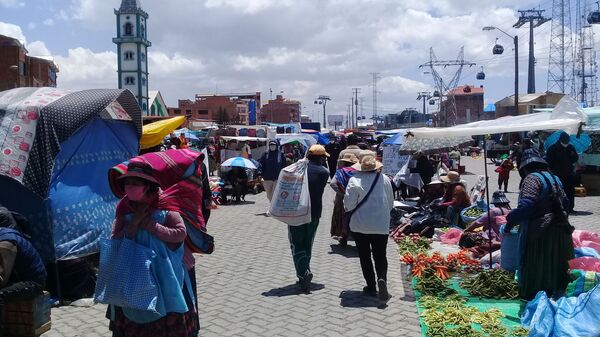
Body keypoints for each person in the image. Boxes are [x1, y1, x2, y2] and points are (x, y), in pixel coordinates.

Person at [107, 161, 199, 337]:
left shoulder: (165, 203)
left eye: (136, 183)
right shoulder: (124, 207)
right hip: (132, 273)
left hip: (164, 275)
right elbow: (115, 240)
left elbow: (180, 233)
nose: (130, 187)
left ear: (148, 186)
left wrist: (150, 225)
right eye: (127, 183)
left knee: (165, 319)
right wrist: (133, 224)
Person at [504, 149, 574, 300]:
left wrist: (510, 221)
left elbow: (527, 206)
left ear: (524, 167)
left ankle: (535, 297)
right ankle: (555, 297)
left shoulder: (531, 179)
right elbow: (566, 204)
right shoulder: (555, 178)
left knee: (539, 267)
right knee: (556, 267)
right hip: (561, 230)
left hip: (542, 232)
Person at [344, 155, 394, 301]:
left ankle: (371, 287)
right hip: (380, 224)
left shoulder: (354, 180)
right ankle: (382, 278)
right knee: (380, 255)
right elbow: (391, 202)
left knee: (365, 256)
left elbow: (349, 205)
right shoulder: (384, 179)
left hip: (360, 225)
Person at [288, 145, 329, 293]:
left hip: (295, 211)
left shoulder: (296, 169)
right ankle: (305, 270)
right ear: (321, 158)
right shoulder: (324, 172)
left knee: (296, 243)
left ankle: (304, 272)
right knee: (307, 243)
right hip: (314, 212)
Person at [0, 206, 47, 304]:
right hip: (17, 277)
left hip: (32, 283)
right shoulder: (7, 235)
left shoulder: (6, 241)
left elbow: (1, 278)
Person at [329, 153, 359, 246]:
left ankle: (343, 237)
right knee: (354, 217)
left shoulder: (340, 172)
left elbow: (332, 184)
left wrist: (342, 192)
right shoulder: (358, 172)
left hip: (341, 199)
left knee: (341, 218)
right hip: (355, 199)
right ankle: (356, 238)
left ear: (344, 162)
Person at [546, 132, 579, 213]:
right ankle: (559, 208)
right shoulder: (553, 148)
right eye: (565, 140)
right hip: (558, 174)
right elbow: (549, 162)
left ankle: (570, 208)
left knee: (570, 191)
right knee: (559, 192)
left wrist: (572, 155)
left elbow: (575, 158)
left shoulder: (570, 147)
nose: (567, 141)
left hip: (569, 173)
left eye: (568, 140)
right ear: (561, 139)